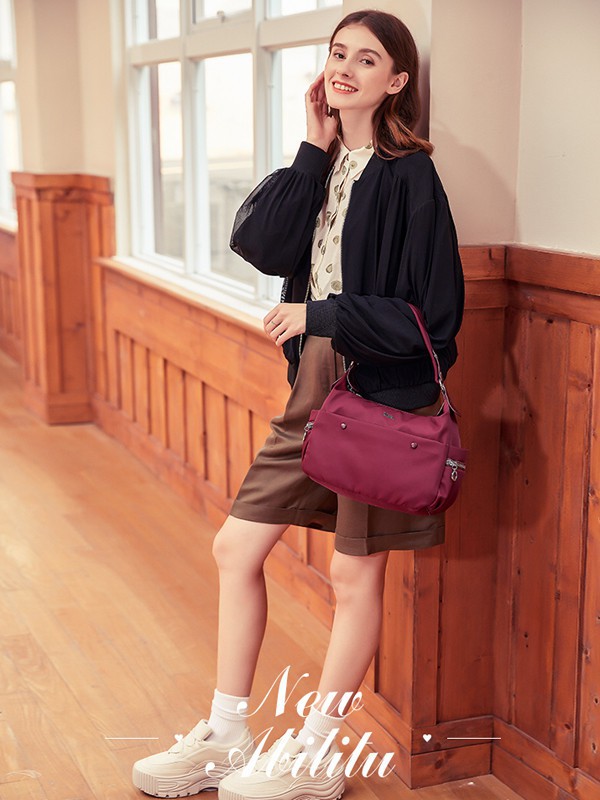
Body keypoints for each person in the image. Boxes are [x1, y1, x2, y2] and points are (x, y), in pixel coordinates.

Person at [132, 9, 464, 800]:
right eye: (338, 52)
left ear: (398, 80)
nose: (345, 67)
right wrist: (312, 148)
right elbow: (262, 243)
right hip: (313, 388)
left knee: (353, 576)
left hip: (382, 395)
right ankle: (227, 736)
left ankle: (317, 753)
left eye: (367, 59)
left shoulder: (411, 177)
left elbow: (436, 324)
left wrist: (322, 314)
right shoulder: (327, 162)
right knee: (235, 549)